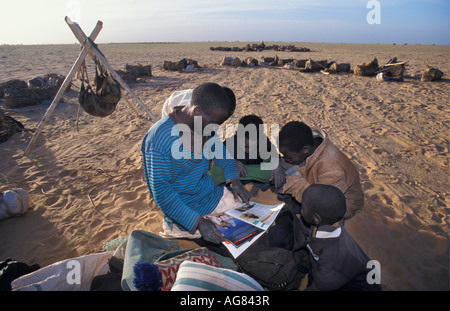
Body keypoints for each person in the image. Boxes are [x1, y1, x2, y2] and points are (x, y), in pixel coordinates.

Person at [141, 82, 250, 245]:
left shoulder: (204, 126)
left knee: (249, 227)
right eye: (214, 122)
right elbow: (162, 192)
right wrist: (198, 222)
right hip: (184, 209)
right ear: (197, 111)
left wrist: (234, 180)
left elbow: (220, 153)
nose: (216, 128)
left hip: (211, 196)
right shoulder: (159, 139)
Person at [300, 184, 381, 291]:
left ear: (316, 218)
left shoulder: (332, 257)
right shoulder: (328, 224)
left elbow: (321, 287)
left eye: (302, 207)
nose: (300, 209)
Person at [277, 121, 364, 219]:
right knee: (283, 171)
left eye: (289, 156)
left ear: (305, 150)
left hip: (341, 205)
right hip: (320, 185)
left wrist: (291, 183)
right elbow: (285, 161)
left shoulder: (332, 169)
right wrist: (277, 167)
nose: (286, 159)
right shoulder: (306, 140)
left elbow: (321, 202)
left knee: (310, 216)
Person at [208, 114, 277, 196]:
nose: (248, 150)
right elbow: (217, 157)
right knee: (216, 171)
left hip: (254, 173)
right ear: (237, 136)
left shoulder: (264, 142)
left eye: (253, 146)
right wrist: (234, 161)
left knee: (276, 171)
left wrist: (277, 167)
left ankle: (257, 185)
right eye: (245, 146)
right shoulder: (230, 142)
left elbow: (273, 156)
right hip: (234, 176)